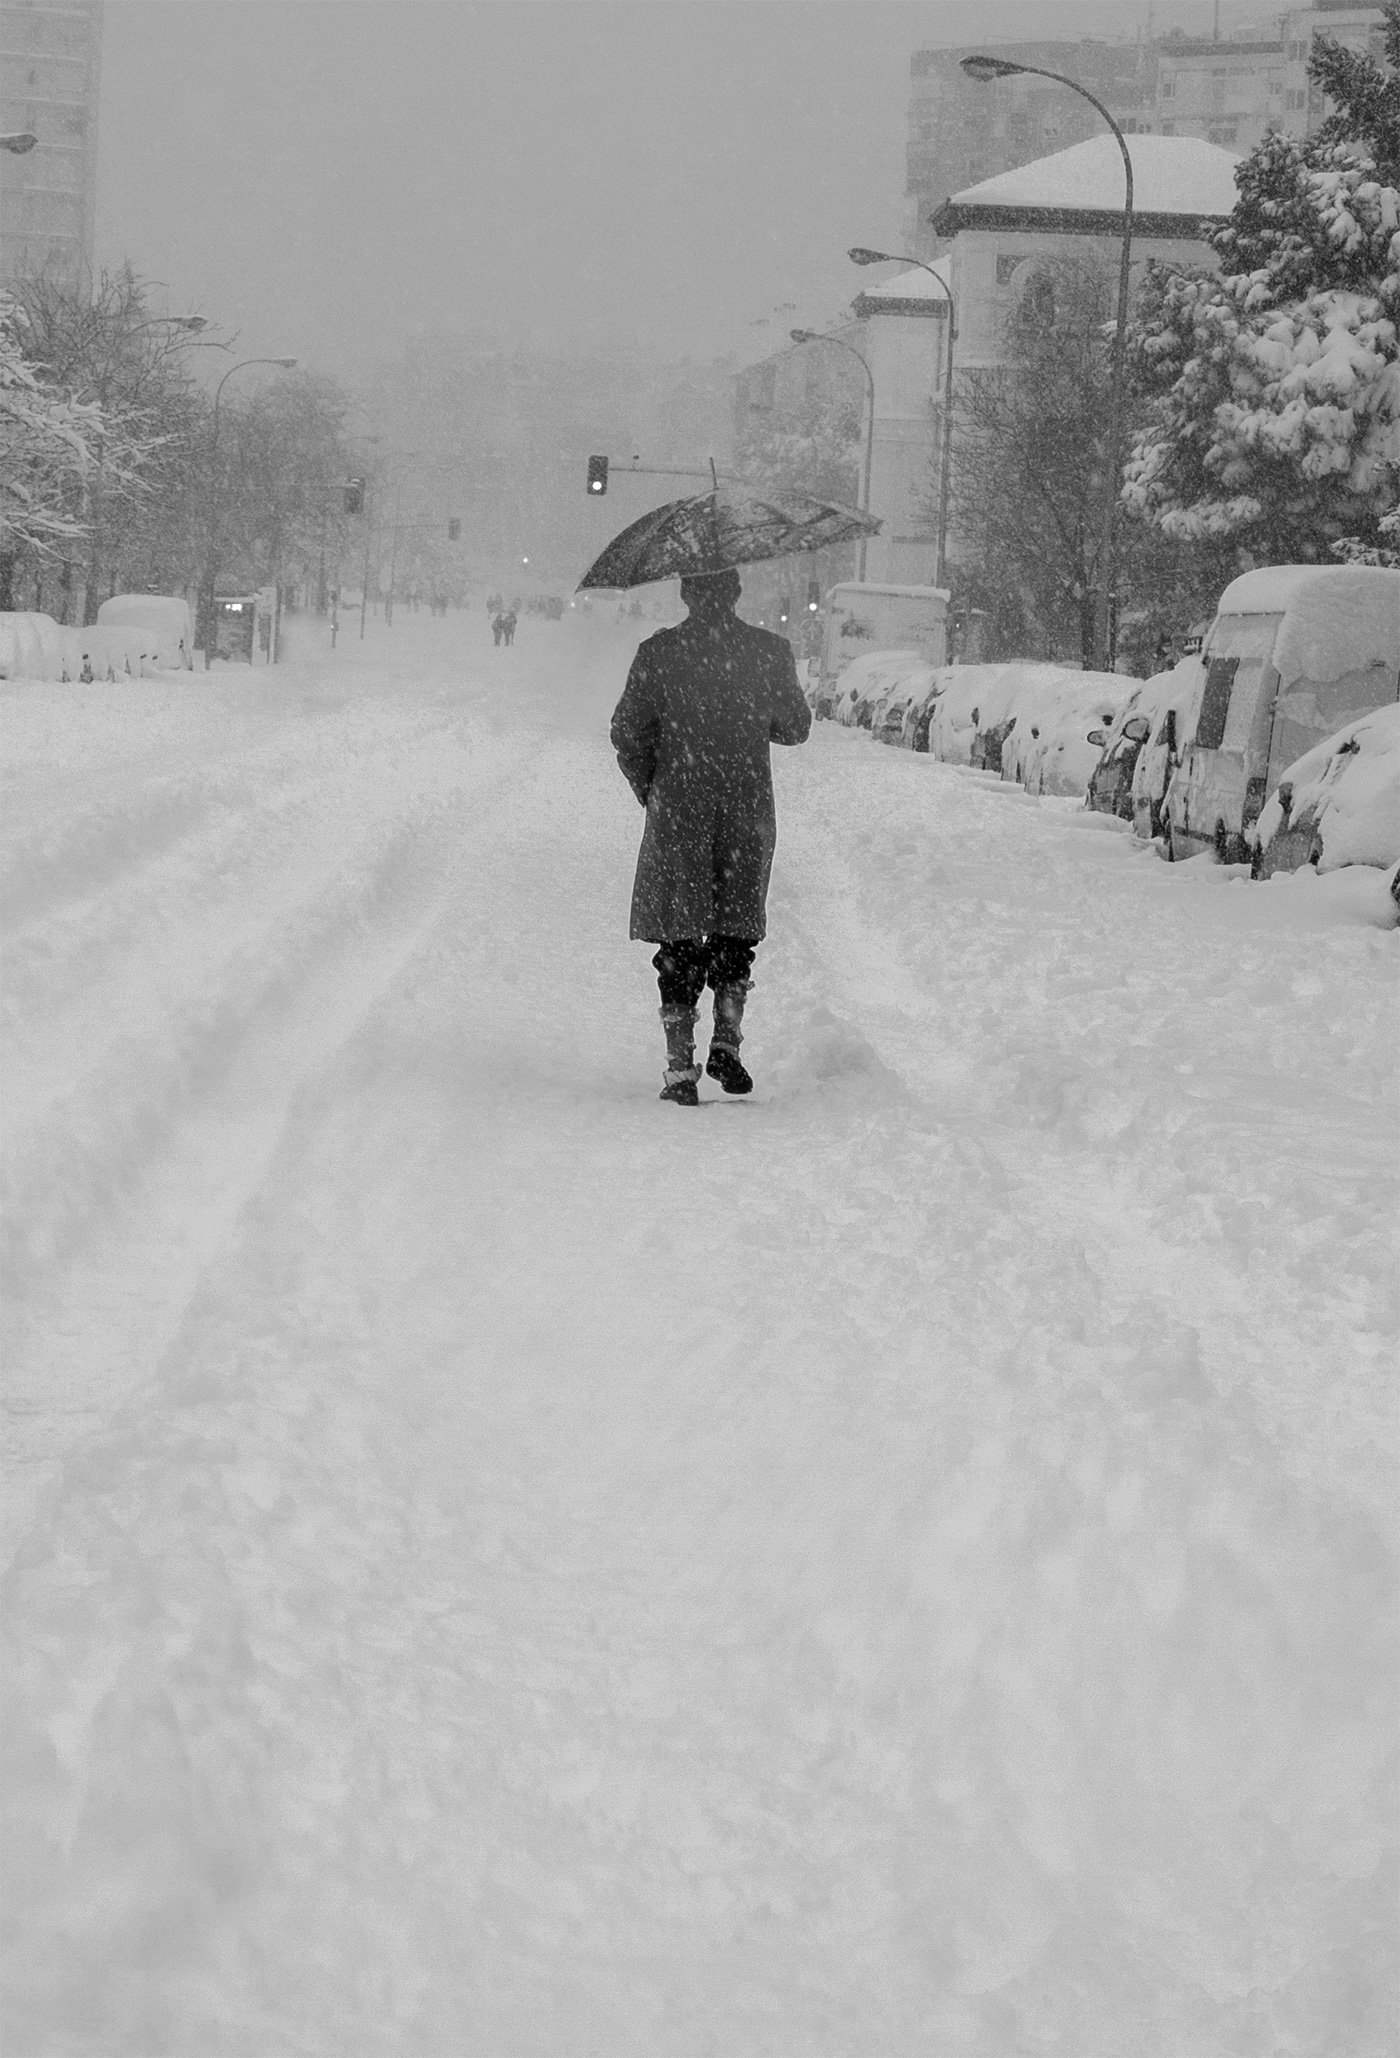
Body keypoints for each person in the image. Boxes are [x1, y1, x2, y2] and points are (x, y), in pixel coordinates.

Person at [610, 566, 811, 1106]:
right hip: (745, 808)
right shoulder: (768, 651)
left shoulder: (659, 653)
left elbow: (627, 730)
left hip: (680, 811)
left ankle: (680, 1069)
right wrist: (751, 713)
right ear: (737, 593)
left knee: (678, 935)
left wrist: (650, 786)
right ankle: (727, 1035)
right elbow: (796, 727)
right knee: (735, 929)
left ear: (685, 593)